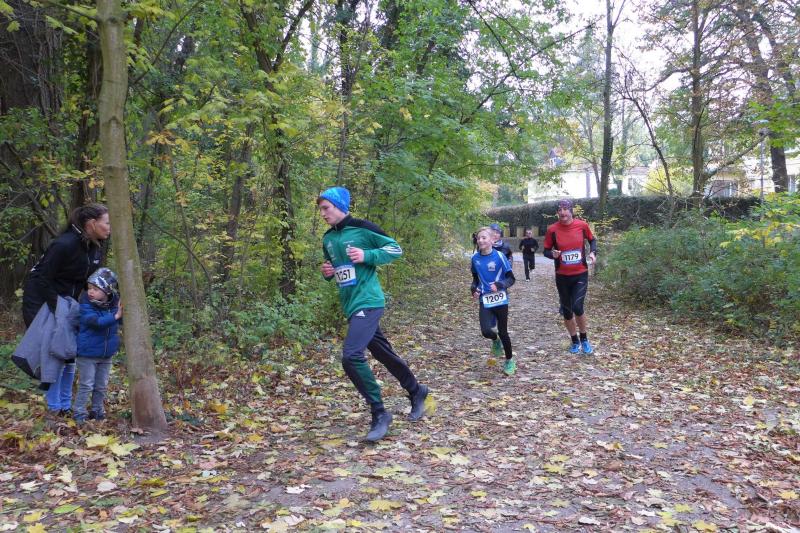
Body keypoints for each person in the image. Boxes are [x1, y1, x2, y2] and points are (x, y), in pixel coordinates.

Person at [318, 186, 429, 442]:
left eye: (326, 208)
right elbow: (336, 268)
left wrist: (367, 255)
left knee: (351, 356)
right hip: (350, 304)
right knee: (382, 352)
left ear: (339, 206)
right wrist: (328, 273)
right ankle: (416, 390)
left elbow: (395, 249)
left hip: (369, 301)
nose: (323, 214)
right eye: (321, 210)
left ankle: (380, 413)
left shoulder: (363, 228)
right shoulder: (327, 239)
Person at [21, 203, 110, 415]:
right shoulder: (64, 244)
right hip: (42, 303)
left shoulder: (95, 248)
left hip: (68, 305)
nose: (109, 228)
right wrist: (59, 309)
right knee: (56, 355)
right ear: (92, 223)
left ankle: (65, 405)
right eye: (107, 223)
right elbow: (42, 278)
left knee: (69, 354)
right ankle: (55, 408)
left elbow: (89, 283)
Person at [543, 199, 597, 355]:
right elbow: (545, 250)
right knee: (567, 311)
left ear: (571, 211)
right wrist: (552, 254)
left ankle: (584, 339)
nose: (562, 212)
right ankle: (574, 341)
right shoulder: (552, 230)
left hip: (580, 274)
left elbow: (592, 240)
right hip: (562, 276)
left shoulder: (582, 225)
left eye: (565, 209)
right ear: (557, 213)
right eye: (559, 210)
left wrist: (593, 253)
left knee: (578, 307)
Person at [73, 268, 122, 423]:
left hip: (106, 354)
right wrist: (116, 316)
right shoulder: (85, 305)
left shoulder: (113, 304)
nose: (90, 292)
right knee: (86, 384)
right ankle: (79, 413)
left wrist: (119, 314)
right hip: (87, 353)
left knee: (101, 385)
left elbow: (120, 321)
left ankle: (97, 411)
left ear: (107, 291)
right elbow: (96, 322)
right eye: (89, 288)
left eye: (95, 289)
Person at [471, 227, 517, 376]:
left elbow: (511, 279)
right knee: (485, 331)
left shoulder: (500, 256)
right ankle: (495, 340)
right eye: (479, 238)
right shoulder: (475, 259)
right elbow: (475, 280)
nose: (480, 240)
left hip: (501, 299)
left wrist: (499, 284)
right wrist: (474, 289)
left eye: (484, 238)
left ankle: (509, 360)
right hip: (485, 299)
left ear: (492, 240)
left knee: (503, 332)